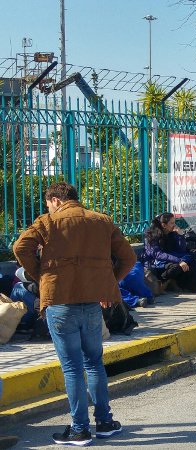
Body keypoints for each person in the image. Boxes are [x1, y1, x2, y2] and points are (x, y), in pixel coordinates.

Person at [13, 181, 135, 445]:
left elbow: (20, 248)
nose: (48, 208)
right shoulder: (101, 221)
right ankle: (104, 421)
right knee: (94, 362)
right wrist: (106, 284)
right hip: (92, 304)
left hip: (60, 302)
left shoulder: (47, 222)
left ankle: (79, 429)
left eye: (48, 203)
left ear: (55, 200)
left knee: (72, 368)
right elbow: (128, 259)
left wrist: (42, 276)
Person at [142, 213, 196, 292]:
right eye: (172, 223)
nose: (174, 225)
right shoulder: (151, 235)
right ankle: (166, 282)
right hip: (155, 264)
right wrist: (179, 261)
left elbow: (181, 250)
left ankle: (182, 285)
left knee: (190, 261)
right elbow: (158, 254)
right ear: (164, 225)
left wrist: (180, 236)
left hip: (168, 260)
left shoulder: (171, 233)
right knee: (177, 267)